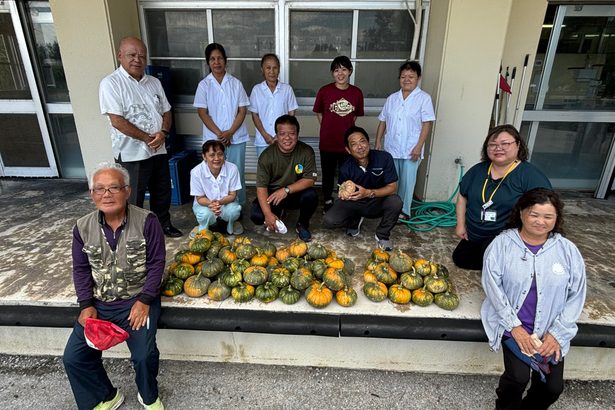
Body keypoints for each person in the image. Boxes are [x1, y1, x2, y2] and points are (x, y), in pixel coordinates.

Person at [63, 162, 165, 410]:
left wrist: (144, 301)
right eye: (99, 189)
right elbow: (81, 269)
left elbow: (157, 264)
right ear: (92, 194)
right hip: (100, 303)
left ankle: (148, 395)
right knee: (74, 357)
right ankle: (106, 396)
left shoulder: (147, 221)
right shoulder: (82, 227)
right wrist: (86, 305)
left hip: (137, 300)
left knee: (143, 355)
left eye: (113, 188)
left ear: (127, 191)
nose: (106, 195)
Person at [481, 188, 586, 409]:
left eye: (548, 216)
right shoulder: (502, 245)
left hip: (550, 329)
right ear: (521, 213)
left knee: (552, 388)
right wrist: (515, 327)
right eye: (534, 214)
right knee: (517, 378)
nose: (541, 222)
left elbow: (576, 295)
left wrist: (557, 334)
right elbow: (493, 288)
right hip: (513, 326)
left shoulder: (567, 250)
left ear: (557, 218)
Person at [99, 36, 182, 238]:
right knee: (132, 195)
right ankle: (134, 233)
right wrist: (146, 137)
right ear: (120, 56)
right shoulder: (111, 84)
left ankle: (162, 225)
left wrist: (162, 133)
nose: (137, 60)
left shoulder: (153, 82)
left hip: (158, 149)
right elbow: (116, 120)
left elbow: (167, 111)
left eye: (142, 56)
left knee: (161, 192)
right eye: (132, 55)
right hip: (132, 154)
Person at [453, 124, 551, 270]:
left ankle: (514, 261)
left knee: (492, 259)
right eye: (492, 144)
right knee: (461, 259)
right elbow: (462, 196)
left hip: (507, 236)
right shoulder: (478, 170)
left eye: (505, 143)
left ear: (518, 145)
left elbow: (546, 208)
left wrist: (531, 237)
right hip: (476, 234)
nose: (498, 148)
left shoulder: (529, 175)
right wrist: (461, 224)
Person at [323, 126, 402, 251]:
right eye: (354, 144)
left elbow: (392, 188)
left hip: (378, 200)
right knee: (329, 220)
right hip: (356, 202)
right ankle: (355, 220)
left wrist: (368, 193)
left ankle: (382, 235)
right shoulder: (345, 168)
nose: (360, 146)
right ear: (348, 150)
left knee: (395, 201)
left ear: (368, 142)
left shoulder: (384, 158)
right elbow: (342, 190)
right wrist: (343, 194)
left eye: (362, 141)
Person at [375, 61, 435, 221]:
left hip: (411, 149)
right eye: (403, 77)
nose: (406, 80)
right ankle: (390, 209)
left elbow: (427, 124)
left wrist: (419, 146)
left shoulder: (424, 98)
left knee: (407, 183)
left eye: (411, 77)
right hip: (392, 147)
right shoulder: (392, 98)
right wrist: (378, 141)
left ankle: (404, 211)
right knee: (391, 181)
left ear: (418, 78)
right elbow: (383, 121)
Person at [194, 43, 250, 205]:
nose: (216, 62)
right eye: (212, 59)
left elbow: (242, 110)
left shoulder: (236, 83)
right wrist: (220, 134)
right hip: (213, 139)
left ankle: (236, 210)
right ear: (208, 62)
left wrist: (230, 132)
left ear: (225, 61)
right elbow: (202, 112)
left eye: (219, 58)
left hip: (236, 138)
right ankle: (215, 209)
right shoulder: (204, 85)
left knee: (236, 174)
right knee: (214, 174)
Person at [250, 115, 318, 242]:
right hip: (273, 196)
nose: (287, 138)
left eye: (292, 133)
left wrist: (286, 190)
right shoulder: (266, 156)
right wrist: (268, 214)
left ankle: (302, 224)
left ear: (297, 134)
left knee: (311, 195)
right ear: (276, 135)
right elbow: (261, 188)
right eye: (282, 134)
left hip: (294, 193)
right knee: (257, 216)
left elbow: (310, 179)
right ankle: (278, 212)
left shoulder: (306, 151)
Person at [313, 55, 364, 213]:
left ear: (350, 71)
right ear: (332, 73)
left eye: (343, 69)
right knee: (327, 174)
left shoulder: (356, 93)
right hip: (327, 141)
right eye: (336, 70)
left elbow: (354, 117)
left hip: (347, 144)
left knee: (346, 173)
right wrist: (329, 126)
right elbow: (320, 113)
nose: (340, 73)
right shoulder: (324, 91)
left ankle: (344, 200)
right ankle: (327, 200)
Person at [249, 53, 299, 158]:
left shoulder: (287, 89)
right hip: (263, 141)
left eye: (275, 68)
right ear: (262, 69)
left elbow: (291, 113)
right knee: (265, 172)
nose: (272, 71)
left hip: (284, 141)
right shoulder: (257, 90)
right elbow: (255, 115)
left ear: (279, 69)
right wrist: (265, 135)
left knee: (284, 171)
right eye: (268, 68)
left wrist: (280, 135)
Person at [190, 140, 243, 235]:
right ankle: (202, 227)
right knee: (205, 215)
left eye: (220, 154)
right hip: (205, 204)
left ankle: (232, 223)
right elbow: (200, 198)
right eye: (212, 155)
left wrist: (219, 203)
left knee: (234, 211)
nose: (217, 158)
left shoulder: (232, 168)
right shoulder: (196, 172)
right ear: (204, 156)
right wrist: (211, 204)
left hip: (227, 202)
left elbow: (232, 195)